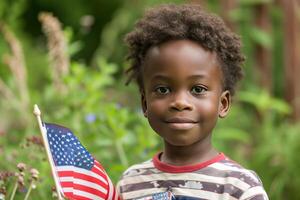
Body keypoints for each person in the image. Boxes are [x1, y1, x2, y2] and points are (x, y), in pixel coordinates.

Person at [117, 3, 269, 200]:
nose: (180, 102)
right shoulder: (129, 184)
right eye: (163, 90)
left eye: (198, 89)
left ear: (222, 104)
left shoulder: (239, 187)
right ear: (145, 104)